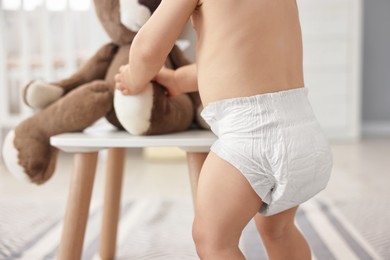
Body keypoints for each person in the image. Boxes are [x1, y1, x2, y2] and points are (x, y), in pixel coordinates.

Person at [115, 0, 333, 259]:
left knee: (212, 240)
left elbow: (149, 49)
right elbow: (241, 54)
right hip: (303, 132)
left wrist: (134, 77)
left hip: (252, 136)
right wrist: (176, 79)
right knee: (279, 230)